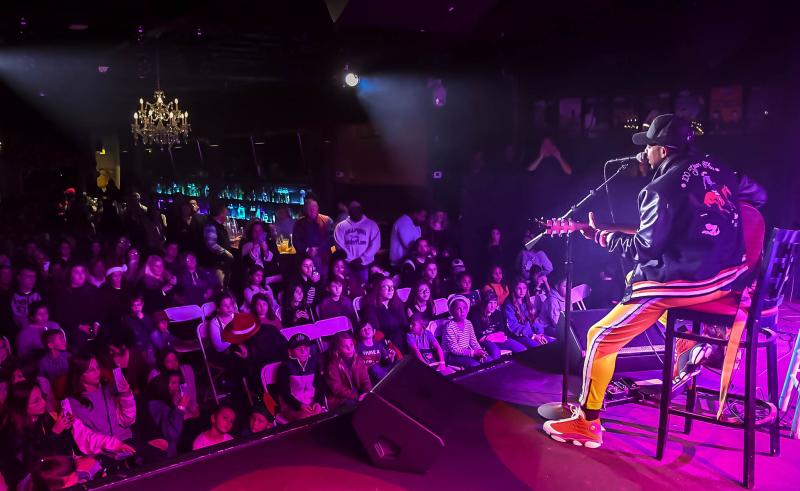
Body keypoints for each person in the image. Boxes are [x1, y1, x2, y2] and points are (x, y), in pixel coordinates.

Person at [544, 114, 767, 449]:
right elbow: (758, 196)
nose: (644, 153)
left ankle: (587, 423)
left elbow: (643, 250)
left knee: (599, 337)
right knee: (652, 298)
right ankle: (690, 348)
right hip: (729, 279)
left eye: (648, 146)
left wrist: (602, 237)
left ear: (662, 150)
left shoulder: (659, 189)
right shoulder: (720, 171)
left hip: (686, 285)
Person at [50, 264, 103, 353]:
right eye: (76, 272)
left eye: (82, 272)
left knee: (104, 336)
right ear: (70, 274)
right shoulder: (62, 292)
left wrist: (97, 323)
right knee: (81, 340)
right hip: (73, 327)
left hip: (92, 325)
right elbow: (60, 315)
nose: (80, 275)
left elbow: (100, 309)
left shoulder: (93, 289)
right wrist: (79, 326)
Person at [276, 334, 325, 423]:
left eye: (306, 348)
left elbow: (320, 386)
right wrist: (299, 406)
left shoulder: (314, 363)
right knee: (306, 418)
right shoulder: (285, 367)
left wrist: (318, 402)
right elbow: (284, 393)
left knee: (323, 416)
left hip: (312, 403)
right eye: (298, 349)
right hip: (291, 406)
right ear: (290, 352)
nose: (303, 351)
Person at [333, 201, 381, 286]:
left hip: (364, 265)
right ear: (349, 211)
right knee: (346, 289)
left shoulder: (371, 225)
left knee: (363, 290)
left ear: (361, 210)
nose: (354, 211)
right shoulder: (341, 226)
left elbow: (375, 245)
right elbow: (336, 245)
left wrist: (361, 258)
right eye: (352, 209)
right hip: (346, 265)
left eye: (357, 209)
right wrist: (348, 258)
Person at [469, 290, 527, 359]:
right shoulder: (476, 315)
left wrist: (489, 337)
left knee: (522, 349)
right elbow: (480, 338)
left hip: (498, 340)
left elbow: (502, 333)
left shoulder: (498, 313)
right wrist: (493, 337)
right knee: (496, 352)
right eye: (490, 303)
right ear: (485, 303)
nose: (493, 306)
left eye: (495, 303)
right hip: (485, 343)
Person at [144, 370, 187, 457]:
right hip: (160, 457)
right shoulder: (157, 405)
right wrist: (180, 408)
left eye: (179, 383)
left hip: (168, 454)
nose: (178, 387)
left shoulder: (169, 402)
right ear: (164, 384)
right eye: (174, 383)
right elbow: (172, 434)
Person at [325, 332, 372, 409]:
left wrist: (365, 393)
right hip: (341, 399)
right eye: (345, 346)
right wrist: (356, 396)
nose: (350, 349)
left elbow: (365, 380)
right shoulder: (333, 365)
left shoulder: (358, 361)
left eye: (351, 345)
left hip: (358, 395)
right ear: (338, 348)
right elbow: (337, 389)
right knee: (353, 406)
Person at [361, 276, 408, 350]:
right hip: (385, 345)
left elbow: (404, 325)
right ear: (378, 289)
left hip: (401, 340)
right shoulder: (371, 307)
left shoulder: (397, 304)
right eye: (386, 287)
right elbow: (376, 331)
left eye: (392, 287)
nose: (391, 289)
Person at [441, 295, 487, 368]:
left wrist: (480, 351)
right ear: (452, 312)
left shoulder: (468, 323)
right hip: (451, 355)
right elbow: (454, 349)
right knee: (474, 364)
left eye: (464, 308)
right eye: (458, 309)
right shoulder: (449, 327)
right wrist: (473, 353)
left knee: (487, 360)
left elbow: (473, 341)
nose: (462, 311)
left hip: (466, 352)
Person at [503, 278, 548, 349]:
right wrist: (532, 335)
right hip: (518, 335)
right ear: (514, 289)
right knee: (536, 346)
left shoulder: (527, 303)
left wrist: (540, 333)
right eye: (519, 288)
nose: (522, 291)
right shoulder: (508, 305)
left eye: (524, 288)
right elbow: (514, 326)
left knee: (549, 341)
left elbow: (534, 320)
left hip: (531, 334)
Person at [292, 198, 333, 275]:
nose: (312, 209)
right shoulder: (299, 223)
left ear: (318, 207)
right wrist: (307, 250)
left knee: (321, 282)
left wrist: (318, 250)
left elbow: (331, 240)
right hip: (304, 259)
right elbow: (296, 241)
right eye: (309, 208)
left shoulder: (327, 220)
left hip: (323, 259)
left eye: (314, 207)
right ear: (305, 209)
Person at [202, 202, 235, 287]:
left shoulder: (218, 225)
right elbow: (211, 244)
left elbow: (219, 240)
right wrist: (226, 253)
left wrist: (231, 241)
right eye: (226, 214)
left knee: (224, 285)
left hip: (222, 264)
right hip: (216, 265)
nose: (227, 216)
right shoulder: (211, 225)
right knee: (220, 287)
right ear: (221, 214)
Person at [7, 265, 43, 333]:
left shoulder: (41, 294)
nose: (32, 279)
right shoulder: (10, 296)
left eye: (34, 277)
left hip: (38, 332)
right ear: (19, 277)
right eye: (28, 276)